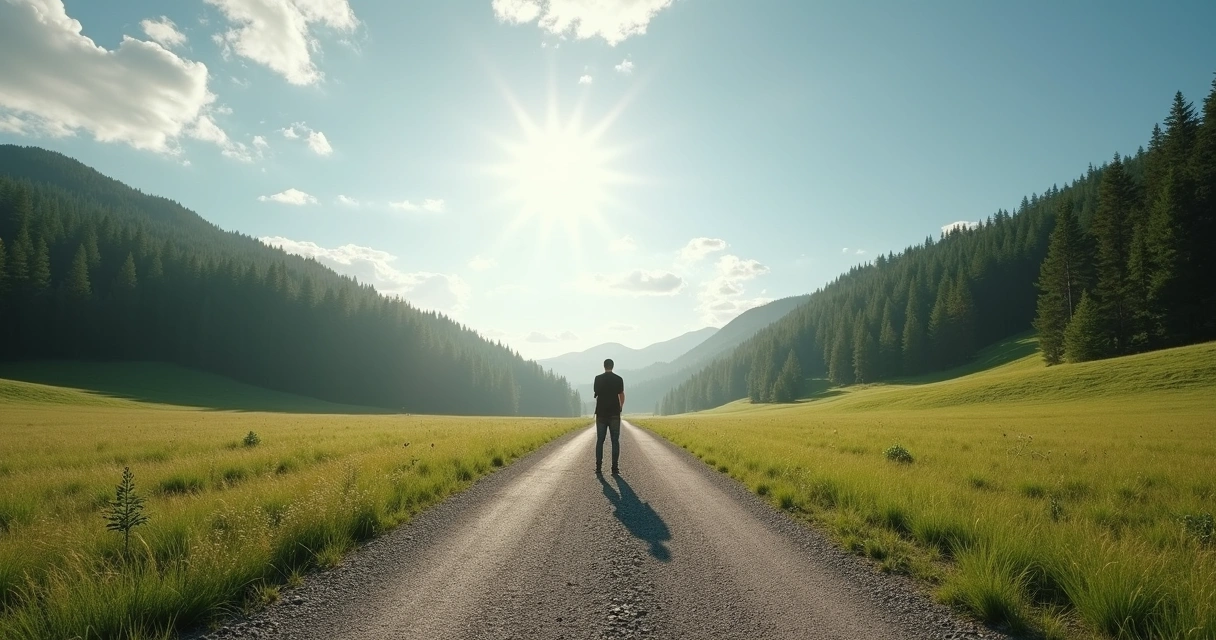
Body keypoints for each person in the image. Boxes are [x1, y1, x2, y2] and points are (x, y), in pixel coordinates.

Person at [593, 358, 625, 475]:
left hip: (601, 413)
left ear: (604, 366)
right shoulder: (618, 379)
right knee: (615, 441)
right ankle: (615, 468)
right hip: (614, 414)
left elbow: (596, 393)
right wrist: (620, 407)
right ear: (613, 366)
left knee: (600, 440)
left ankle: (598, 467)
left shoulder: (598, 379)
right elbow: (621, 394)